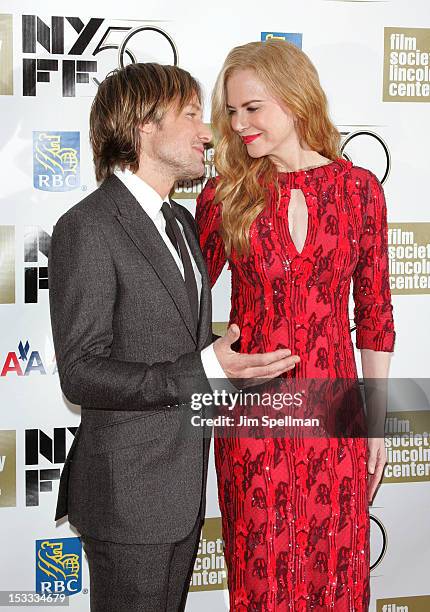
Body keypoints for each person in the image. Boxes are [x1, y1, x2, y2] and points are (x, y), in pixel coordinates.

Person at [48, 62, 298, 612]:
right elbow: (81, 371)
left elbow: (182, 342)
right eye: (190, 115)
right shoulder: (87, 227)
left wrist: (245, 369)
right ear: (144, 127)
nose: (208, 131)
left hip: (181, 490)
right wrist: (206, 369)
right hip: (128, 498)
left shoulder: (181, 224)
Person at [196, 40, 395, 611]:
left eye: (251, 108)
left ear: (294, 98)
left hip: (337, 420)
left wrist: (375, 423)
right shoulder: (226, 194)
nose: (239, 125)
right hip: (254, 423)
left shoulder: (359, 191)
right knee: (263, 587)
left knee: (335, 578)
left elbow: (376, 315)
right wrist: (210, 358)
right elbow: (177, 297)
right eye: (231, 113)